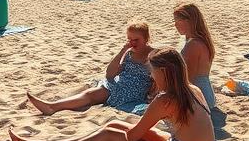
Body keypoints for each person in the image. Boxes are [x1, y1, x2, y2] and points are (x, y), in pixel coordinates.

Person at [10, 48, 216, 141]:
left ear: (164, 72)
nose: (151, 77)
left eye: (153, 73)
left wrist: (125, 134)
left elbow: (133, 138)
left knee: (113, 133)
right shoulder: (193, 90)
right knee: (117, 125)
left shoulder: (165, 100)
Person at [26, 21, 154, 115]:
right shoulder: (128, 53)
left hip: (134, 91)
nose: (132, 43)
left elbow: (159, 78)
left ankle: (52, 107)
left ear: (146, 38)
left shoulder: (154, 55)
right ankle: (52, 106)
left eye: (136, 39)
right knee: (90, 94)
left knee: (91, 95)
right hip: (118, 85)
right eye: (129, 39)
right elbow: (109, 74)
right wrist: (122, 51)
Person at [173, 3, 216, 110]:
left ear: (189, 21)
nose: (175, 25)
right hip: (204, 93)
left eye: (178, 20)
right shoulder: (199, 40)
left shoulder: (193, 45)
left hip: (199, 97)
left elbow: (188, 78)